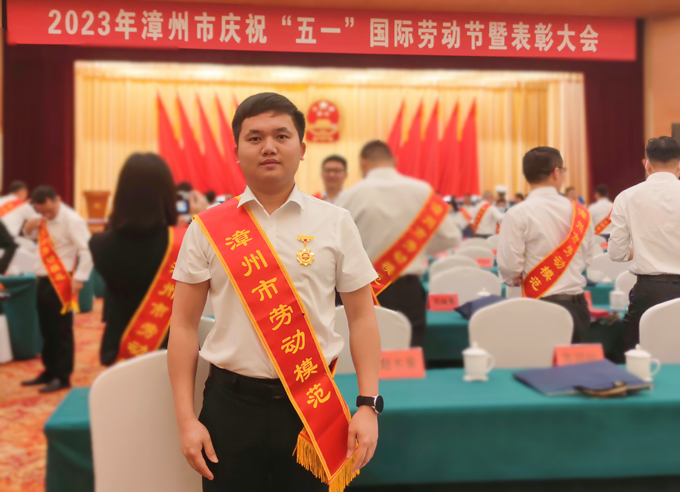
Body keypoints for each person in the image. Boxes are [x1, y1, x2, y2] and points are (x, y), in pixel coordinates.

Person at [168, 93, 381, 492]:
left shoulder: (335, 222)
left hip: (311, 405)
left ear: (302, 148)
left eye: (282, 136)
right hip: (230, 407)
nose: (269, 147)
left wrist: (369, 405)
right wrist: (185, 419)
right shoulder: (206, 228)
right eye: (255, 138)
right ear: (236, 151)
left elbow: (362, 316)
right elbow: (182, 325)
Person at [335, 140, 461, 347]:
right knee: (406, 355)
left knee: (359, 354)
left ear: (363, 163)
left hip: (360, 290)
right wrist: (416, 252)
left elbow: (336, 246)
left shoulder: (348, 196)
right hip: (407, 291)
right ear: (394, 161)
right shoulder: (423, 191)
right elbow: (451, 237)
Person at [89, 153, 180, 365]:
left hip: (121, 351)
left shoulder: (99, 243)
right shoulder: (185, 241)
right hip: (176, 353)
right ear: (168, 194)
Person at [497, 147, 595, 343]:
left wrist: (515, 279)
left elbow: (509, 267)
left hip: (534, 306)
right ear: (556, 172)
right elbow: (586, 260)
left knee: (535, 361)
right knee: (573, 362)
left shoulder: (516, 213)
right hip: (576, 307)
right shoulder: (582, 213)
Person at [609, 136, 680, 351]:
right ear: (679, 166)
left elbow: (616, 253)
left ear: (647, 165)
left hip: (648, 292)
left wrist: (639, 250)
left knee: (635, 356)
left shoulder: (626, 197)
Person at [21, 186, 93, 392]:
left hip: (61, 282)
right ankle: (49, 371)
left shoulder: (72, 220)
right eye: (42, 211)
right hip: (43, 281)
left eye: (49, 210)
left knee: (61, 331)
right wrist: (27, 228)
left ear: (58, 199)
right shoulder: (42, 218)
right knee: (46, 329)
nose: (47, 215)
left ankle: (62, 376)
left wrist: (80, 277)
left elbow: (88, 250)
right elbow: (33, 237)